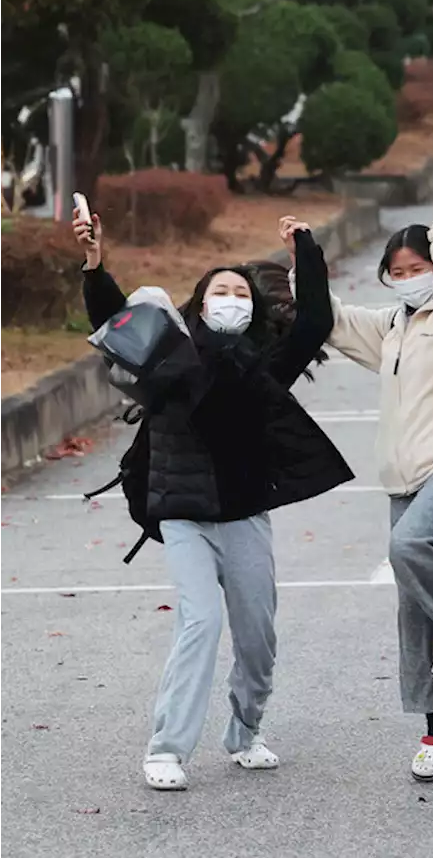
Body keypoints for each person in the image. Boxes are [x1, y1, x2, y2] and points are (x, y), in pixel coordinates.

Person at [73, 210, 353, 792]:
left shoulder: (266, 362)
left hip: (245, 513)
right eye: (220, 291)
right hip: (182, 512)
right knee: (200, 620)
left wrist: (305, 252)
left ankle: (246, 732)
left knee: (258, 635)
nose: (232, 299)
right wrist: (95, 265)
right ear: (200, 303)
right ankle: (167, 748)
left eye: (241, 293)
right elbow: (113, 320)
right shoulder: (168, 351)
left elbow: (314, 322)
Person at [277, 214, 433, 783]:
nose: (406, 278)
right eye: (396, 271)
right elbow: (331, 319)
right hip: (403, 476)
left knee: (408, 545)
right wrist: (305, 253)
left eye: (417, 268)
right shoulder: (393, 327)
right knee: (409, 607)